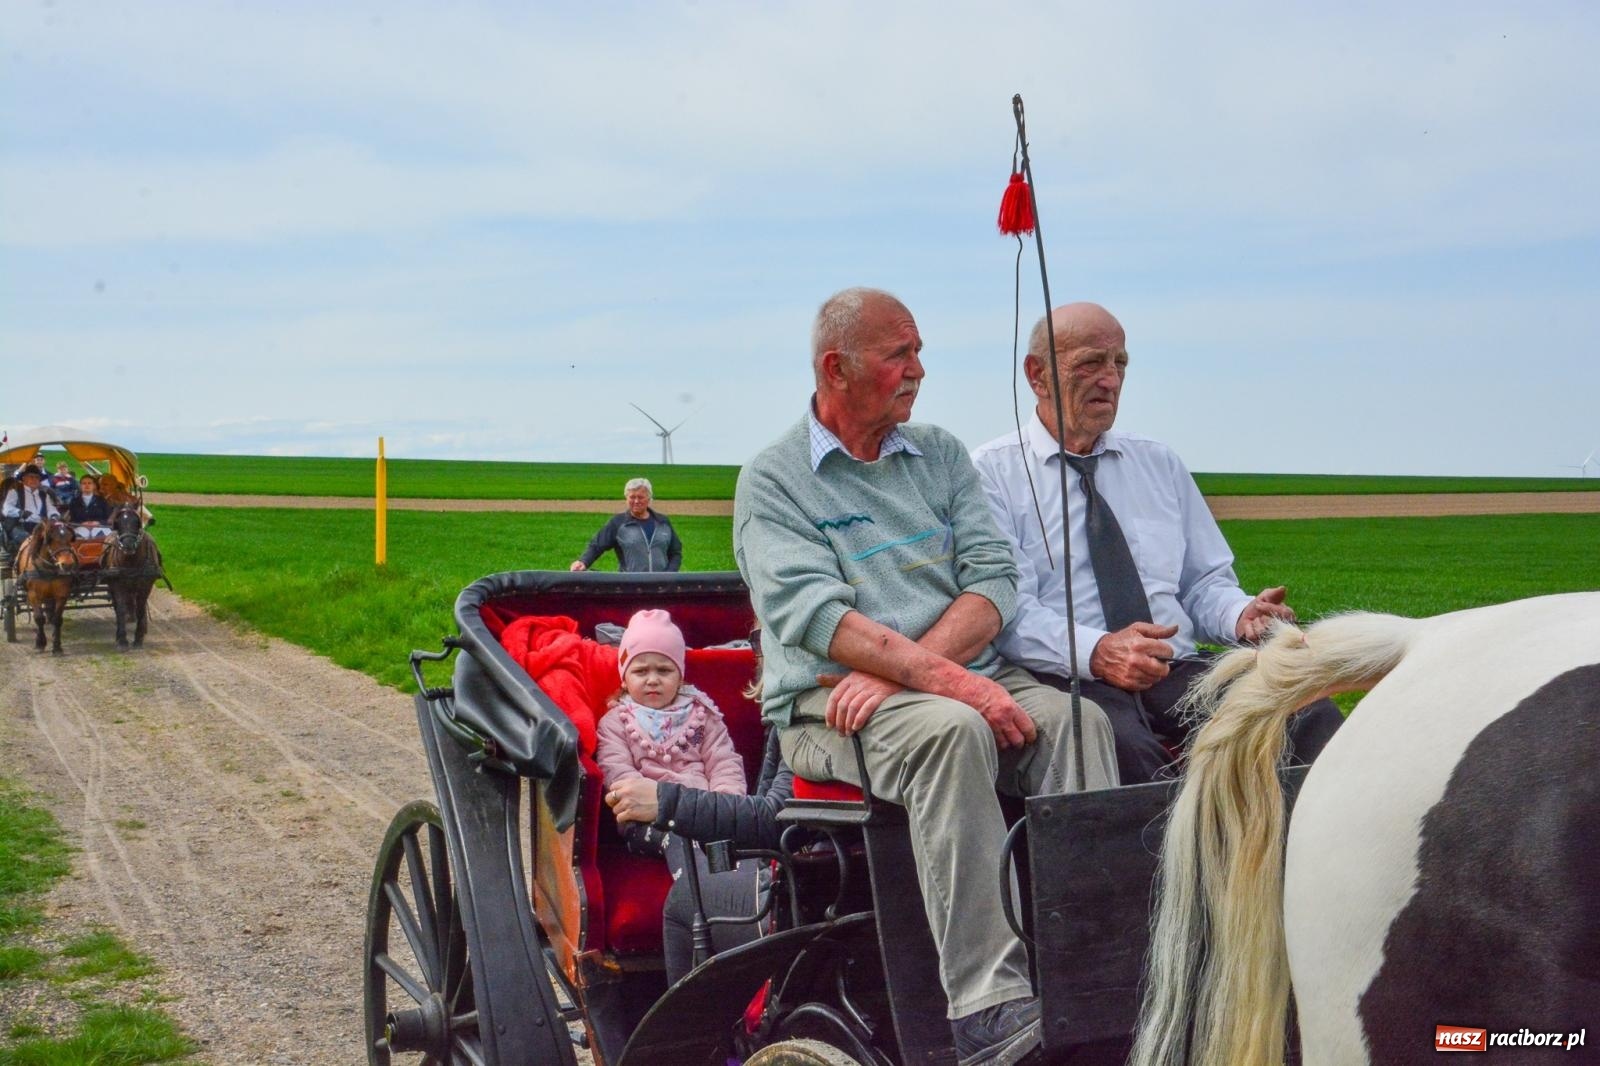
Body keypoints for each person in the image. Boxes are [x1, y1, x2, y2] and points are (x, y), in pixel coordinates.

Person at [733, 287, 1118, 1066]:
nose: (918, 370)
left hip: (932, 680)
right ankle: (989, 1006)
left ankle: (1098, 970)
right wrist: (951, 685)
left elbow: (994, 583)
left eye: (919, 352)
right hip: (826, 707)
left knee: (1083, 723)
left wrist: (923, 674)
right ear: (836, 369)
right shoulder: (773, 481)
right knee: (953, 731)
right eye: (898, 354)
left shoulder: (938, 454)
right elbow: (823, 624)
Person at [972, 302, 1343, 785]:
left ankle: (1299, 858)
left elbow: (1202, 583)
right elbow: (1008, 613)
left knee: (1305, 713)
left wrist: (1240, 614)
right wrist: (1100, 650)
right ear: (1037, 375)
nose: (1110, 380)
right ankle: (1165, 863)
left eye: (1119, 363)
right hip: (1071, 677)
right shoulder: (991, 474)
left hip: (1177, 669)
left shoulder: (1158, 463)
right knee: (1126, 756)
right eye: (1090, 363)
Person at [596, 609, 747, 857]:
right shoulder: (616, 722)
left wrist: (724, 805)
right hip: (645, 817)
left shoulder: (701, 717)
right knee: (680, 845)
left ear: (680, 677)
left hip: (702, 810)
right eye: (641, 671)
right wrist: (650, 800)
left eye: (664, 671)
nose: (652, 680)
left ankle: (739, 881)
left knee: (725, 840)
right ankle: (696, 884)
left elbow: (723, 761)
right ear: (624, 678)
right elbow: (616, 769)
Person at [569, 478, 684, 573]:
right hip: (630, 586)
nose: (636, 501)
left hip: (660, 587)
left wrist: (670, 574)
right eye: (632, 497)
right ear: (626, 498)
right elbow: (596, 545)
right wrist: (583, 562)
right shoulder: (618, 523)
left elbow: (676, 552)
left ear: (649, 498)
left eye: (640, 497)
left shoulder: (663, 522)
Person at [3, 465, 61, 552]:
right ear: (24, 478)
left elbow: (51, 510)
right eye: (31, 477)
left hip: (41, 527)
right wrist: (21, 512)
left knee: (59, 540)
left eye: (37, 477)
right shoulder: (15, 492)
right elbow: (6, 508)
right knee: (31, 540)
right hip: (21, 526)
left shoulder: (44, 495)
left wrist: (54, 516)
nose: (34, 479)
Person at [68, 474, 114, 540]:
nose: (87, 485)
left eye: (89, 483)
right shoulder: (74, 502)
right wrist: (82, 523)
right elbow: (72, 520)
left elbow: (108, 518)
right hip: (80, 528)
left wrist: (98, 523)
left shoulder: (102, 500)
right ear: (80, 486)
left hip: (100, 527)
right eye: (84, 483)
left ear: (94, 486)